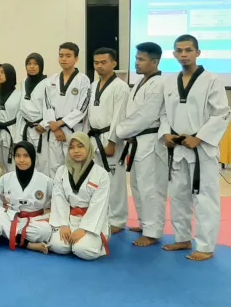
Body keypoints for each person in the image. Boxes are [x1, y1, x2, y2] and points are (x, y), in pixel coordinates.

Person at [160, 34, 230, 262]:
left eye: (188, 50)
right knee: (178, 196)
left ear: (198, 53)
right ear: (174, 54)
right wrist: (166, 133)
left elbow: (222, 113)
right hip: (178, 148)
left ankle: (206, 246)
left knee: (205, 198)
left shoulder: (212, 80)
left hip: (201, 151)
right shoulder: (170, 81)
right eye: (179, 50)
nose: (184, 54)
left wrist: (199, 138)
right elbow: (164, 112)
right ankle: (182, 238)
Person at [111, 42, 167, 247]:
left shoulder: (158, 84)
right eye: (136, 58)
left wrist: (120, 131)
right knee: (136, 184)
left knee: (150, 188)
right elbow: (130, 113)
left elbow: (146, 115)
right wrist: (126, 132)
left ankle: (153, 232)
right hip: (136, 141)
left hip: (149, 141)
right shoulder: (141, 82)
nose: (137, 62)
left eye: (141, 59)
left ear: (155, 61)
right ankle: (145, 223)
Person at [85, 48, 129, 234]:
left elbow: (120, 116)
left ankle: (117, 219)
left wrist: (112, 142)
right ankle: (101, 216)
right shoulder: (93, 85)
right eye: (96, 63)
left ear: (114, 63)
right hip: (93, 137)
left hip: (110, 138)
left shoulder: (121, 87)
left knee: (114, 181)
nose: (99, 66)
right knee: (96, 181)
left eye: (103, 62)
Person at [48, 132, 111, 261]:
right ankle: (73, 239)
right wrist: (63, 224)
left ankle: (98, 239)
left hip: (92, 221)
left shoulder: (101, 174)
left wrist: (84, 229)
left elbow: (99, 205)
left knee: (82, 249)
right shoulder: (61, 171)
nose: (76, 151)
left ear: (88, 148)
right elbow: (59, 199)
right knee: (59, 246)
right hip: (69, 219)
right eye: (72, 147)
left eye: (80, 146)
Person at [0, 142, 52, 253]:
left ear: (32, 157)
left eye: (25, 156)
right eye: (17, 156)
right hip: (11, 217)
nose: (21, 160)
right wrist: (0, 209)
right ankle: (26, 243)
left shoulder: (45, 180)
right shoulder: (7, 178)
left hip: (34, 220)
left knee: (45, 231)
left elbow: (57, 200)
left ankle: (11, 235)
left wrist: (49, 212)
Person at [42, 42, 91, 178]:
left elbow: (82, 107)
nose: (63, 59)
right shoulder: (51, 80)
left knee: (74, 166)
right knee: (54, 168)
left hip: (73, 129)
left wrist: (60, 123)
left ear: (76, 59)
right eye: (61, 55)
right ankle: (56, 192)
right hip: (54, 131)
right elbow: (47, 104)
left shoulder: (83, 80)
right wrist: (54, 127)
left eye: (68, 56)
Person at [17, 53, 47, 173]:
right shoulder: (24, 81)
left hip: (41, 128)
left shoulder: (48, 83)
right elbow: (22, 106)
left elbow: (51, 106)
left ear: (41, 66)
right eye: (29, 64)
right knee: (26, 161)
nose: (32, 66)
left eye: (35, 64)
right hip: (26, 127)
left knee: (42, 162)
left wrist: (44, 124)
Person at [0, 63, 20, 172]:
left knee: (12, 166)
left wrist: (18, 137)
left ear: (10, 74)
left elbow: (21, 117)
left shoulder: (19, 94)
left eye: (2, 72)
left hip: (12, 133)